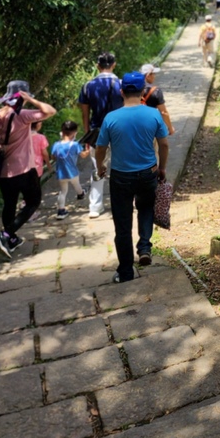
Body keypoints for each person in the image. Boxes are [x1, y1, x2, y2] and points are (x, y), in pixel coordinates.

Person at [95, 71, 169, 282]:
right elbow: (164, 144)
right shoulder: (154, 114)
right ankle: (144, 247)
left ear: (121, 92)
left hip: (120, 177)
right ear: (143, 91)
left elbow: (100, 148)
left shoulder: (111, 118)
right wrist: (162, 168)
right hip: (148, 173)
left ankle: (126, 271)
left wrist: (100, 166)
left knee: (122, 223)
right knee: (145, 208)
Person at [0, 80, 57, 260]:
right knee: (33, 202)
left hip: (3, 172)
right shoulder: (22, 115)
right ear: (22, 97)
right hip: (23, 168)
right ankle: (6, 234)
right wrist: (32, 101)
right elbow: (50, 111)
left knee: (9, 204)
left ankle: (11, 240)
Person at [78, 51, 124, 217]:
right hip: (120, 131)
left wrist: (87, 135)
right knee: (121, 167)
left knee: (98, 167)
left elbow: (85, 114)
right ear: (114, 65)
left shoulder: (87, 86)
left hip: (97, 132)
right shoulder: (121, 84)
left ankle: (95, 207)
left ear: (97, 66)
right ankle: (121, 203)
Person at [52, 120, 90, 219]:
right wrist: (88, 150)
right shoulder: (75, 145)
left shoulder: (56, 145)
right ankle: (81, 194)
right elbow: (83, 155)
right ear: (74, 132)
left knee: (63, 191)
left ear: (62, 132)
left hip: (61, 173)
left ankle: (61, 211)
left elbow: (53, 157)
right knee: (76, 185)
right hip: (72, 172)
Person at [140, 63, 175, 135]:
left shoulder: (134, 89)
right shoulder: (156, 91)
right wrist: (170, 127)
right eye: (153, 74)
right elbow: (163, 112)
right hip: (150, 125)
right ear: (148, 76)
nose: (154, 76)